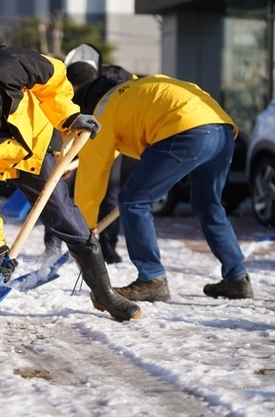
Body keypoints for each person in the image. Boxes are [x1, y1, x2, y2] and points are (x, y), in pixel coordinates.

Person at [0, 44, 142, 322]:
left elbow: (54, 81)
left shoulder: (14, 64)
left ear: (0, 111)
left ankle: (104, 293)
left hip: (30, 143)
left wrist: (69, 117)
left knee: (64, 214)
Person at [72, 73, 253, 302]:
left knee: (132, 201)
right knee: (208, 206)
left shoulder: (100, 114)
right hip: (223, 129)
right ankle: (237, 278)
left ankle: (151, 279)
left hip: (185, 130)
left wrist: (83, 227)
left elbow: (92, 174)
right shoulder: (134, 90)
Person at [43, 60, 135, 263]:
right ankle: (55, 246)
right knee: (66, 194)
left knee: (68, 196)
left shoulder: (93, 97)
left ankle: (99, 245)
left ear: (75, 86)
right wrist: (61, 157)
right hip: (105, 143)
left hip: (107, 143)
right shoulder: (115, 81)